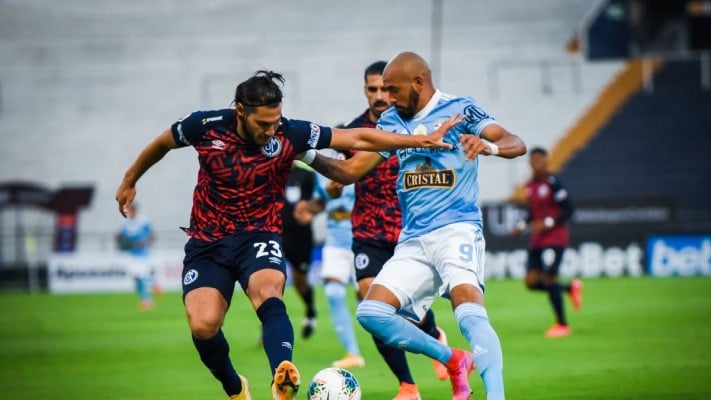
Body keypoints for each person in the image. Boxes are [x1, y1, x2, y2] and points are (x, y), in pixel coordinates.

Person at [114, 70, 461, 400]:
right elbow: (162, 142)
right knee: (204, 326)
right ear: (240, 111)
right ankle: (235, 387)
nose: (271, 130)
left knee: (268, 292)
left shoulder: (290, 133)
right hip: (208, 241)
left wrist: (420, 139)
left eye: (276, 121)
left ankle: (282, 370)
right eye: (263, 123)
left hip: (260, 234)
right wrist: (130, 179)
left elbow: (358, 137)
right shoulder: (204, 126)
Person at [305, 52, 527, 400]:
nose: (388, 97)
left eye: (393, 90)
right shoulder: (391, 120)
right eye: (383, 90)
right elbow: (349, 171)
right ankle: (453, 358)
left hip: (457, 229)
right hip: (413, 239)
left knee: (469, 314)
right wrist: (304, 154)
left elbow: (516, 143)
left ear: (419, 83)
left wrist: (489, 146)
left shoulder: (461, 109)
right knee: (372, 313)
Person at [330, 60, 452, 400]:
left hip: (408, 231)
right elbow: (340, 176)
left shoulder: (412, 126)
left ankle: (434, 335)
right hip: (367, 230)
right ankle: (407, 385)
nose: (380, 96)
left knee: (406, 309)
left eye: (385, 89)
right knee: (372, 304)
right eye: (373, 89)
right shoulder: (353, 132)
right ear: (365, 91)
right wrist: (333, 187)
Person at [293, 148, 364, 369]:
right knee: (333, 292)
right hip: (335, 241)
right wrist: (308, 209)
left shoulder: (365, 163)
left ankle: (415, 336)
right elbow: (322, 200)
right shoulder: (324, 167)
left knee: (369, 301)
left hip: (364, 240)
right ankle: (353, 353)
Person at [511, 147, 582, 338]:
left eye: (540, 160)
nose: (536, 164)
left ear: (546, 162)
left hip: (555, 239)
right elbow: (532, 213)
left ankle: (562, 325)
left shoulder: (553, 183)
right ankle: (569, 288)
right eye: (533, 160)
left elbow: (568, 209)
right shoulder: (530, 186)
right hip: (537, 240)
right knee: (531, 282)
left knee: (550, 279)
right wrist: (521, 225)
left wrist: (548, 222)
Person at [282, 161, 318, 339]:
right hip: (273, 233)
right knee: (270, 280)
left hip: (299, 235)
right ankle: (270, 325)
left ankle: (310, 311)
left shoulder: (307, 174)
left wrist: (311, 212)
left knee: (300, 281)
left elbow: (321, 200)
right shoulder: (269, 170)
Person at [116, 203, 156, 310]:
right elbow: (120, 237)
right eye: (131, 209)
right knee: (136, 278)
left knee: (140, 276)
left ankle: (147, 300)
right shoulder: (126, 223)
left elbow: (152, 236)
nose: (132, 211)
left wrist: (145, 242)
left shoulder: (144, 222)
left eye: (134, 209)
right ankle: (152, 285)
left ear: (136, 210)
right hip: (131, 255)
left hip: (143, 254)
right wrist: (120, 240)